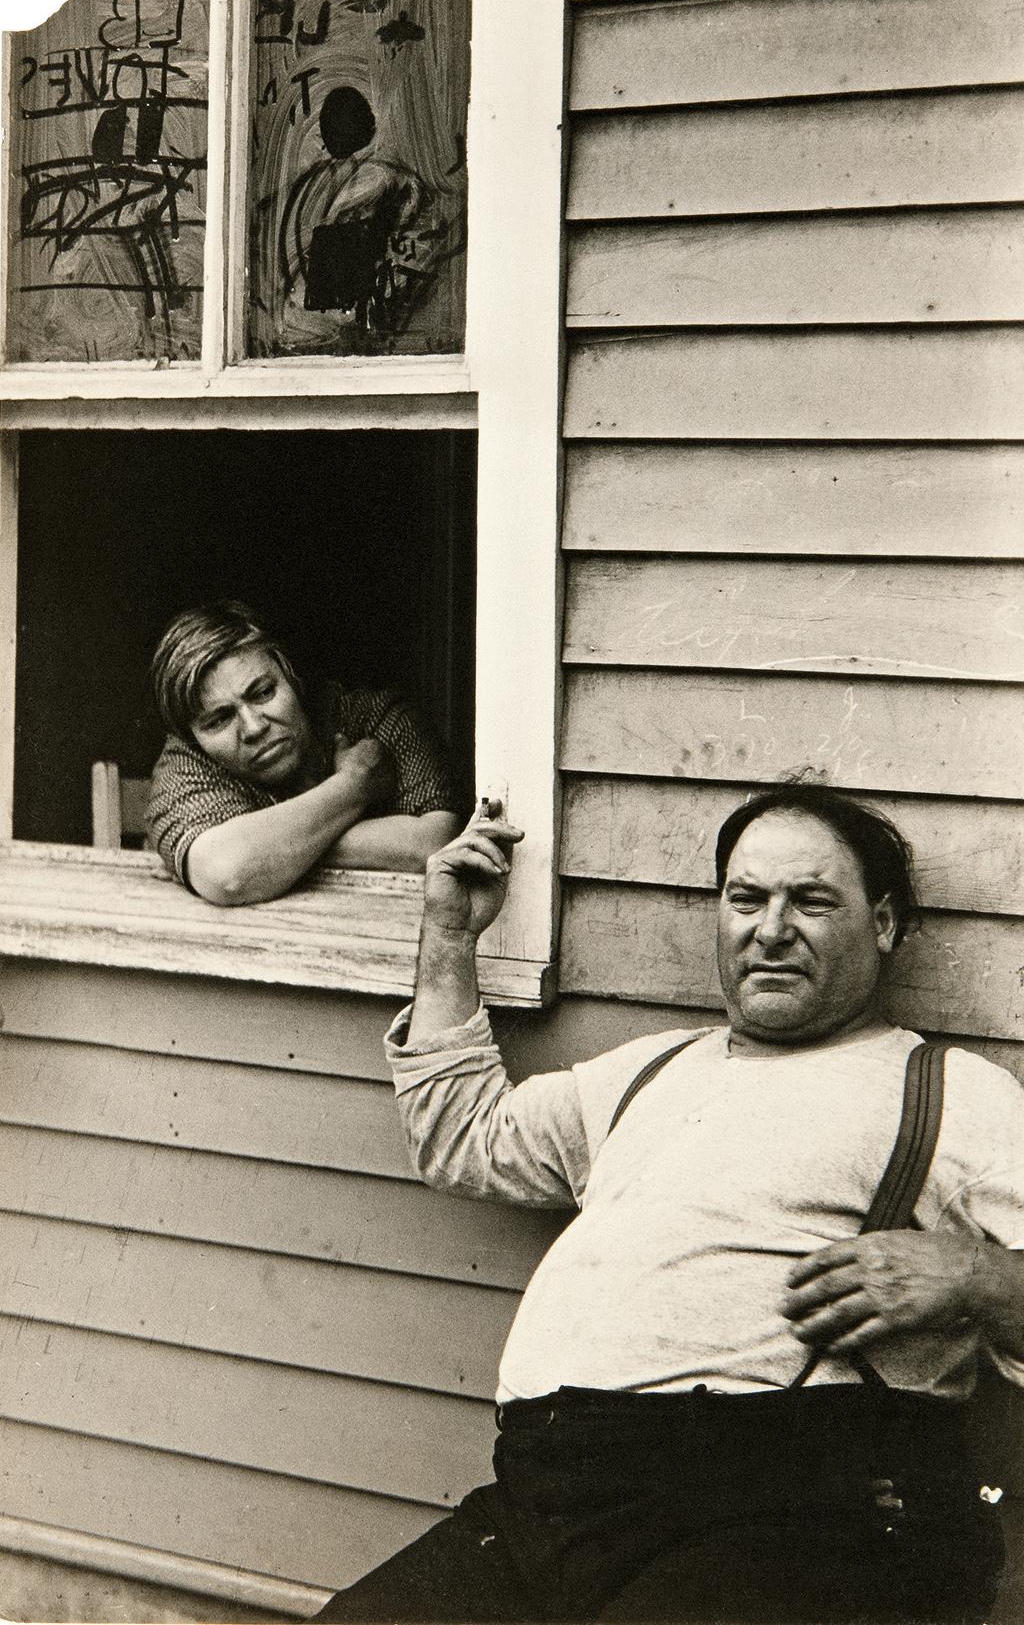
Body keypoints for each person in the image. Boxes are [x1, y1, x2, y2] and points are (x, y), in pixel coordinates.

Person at [316, 781, 1024, 1624]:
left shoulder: (951, 1091)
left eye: (812, 901)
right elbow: (465, 1138)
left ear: (884, 923)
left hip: (784, 1516)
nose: (770, 930)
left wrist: (974, 1275)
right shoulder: (651, 1071)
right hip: (549, 1501)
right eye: (746, 899)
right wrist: (451, 936)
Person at [145, 601, 460, 904]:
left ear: (291, 677)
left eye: (264, 692)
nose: (253, 727)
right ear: (191, 738)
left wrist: (271, 852)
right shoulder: (184, 761)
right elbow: (228, 873)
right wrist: (354, 785)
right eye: (219, 719)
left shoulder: (372, 719)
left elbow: (437, 843)